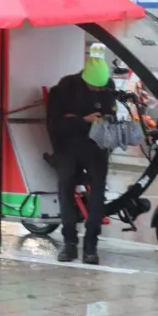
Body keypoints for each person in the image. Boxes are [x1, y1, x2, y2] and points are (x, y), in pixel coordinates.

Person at [47, 43, 117, 264]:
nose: (97, 90)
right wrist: (82, 120)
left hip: (96, 146)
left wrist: (106, 120)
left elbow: (112, 114)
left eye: (101, 87)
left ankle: (91, 244)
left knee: (98, 190)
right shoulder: (66, 86)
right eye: (93, 86)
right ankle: (69, 242)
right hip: (68, 144)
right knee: (65, 185)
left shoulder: (109, 87)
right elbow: (54, 123)